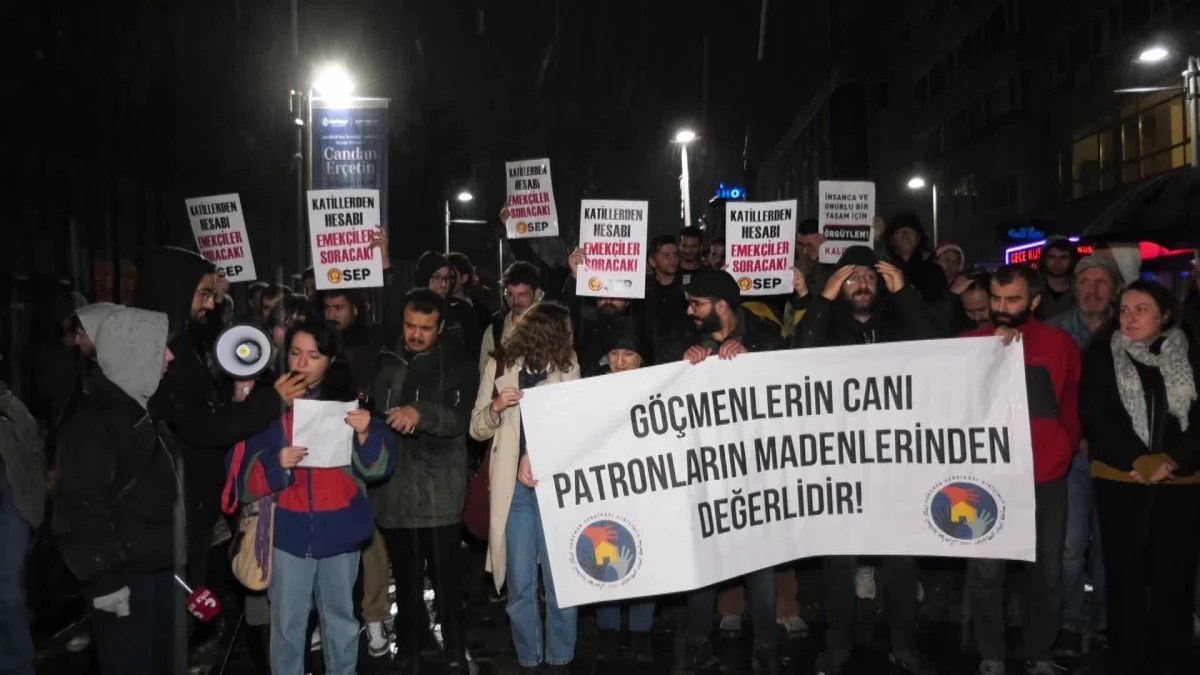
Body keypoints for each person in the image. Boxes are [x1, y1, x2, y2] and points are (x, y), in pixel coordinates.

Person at [132, 246, 308, 610]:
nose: (210, 305)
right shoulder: (155, 350)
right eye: (203, 294)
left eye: (213, 295)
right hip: (173, 503)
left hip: (192, 500)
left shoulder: (181, 341)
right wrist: (270, 403)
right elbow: (199, 425)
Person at [791, 246, 936, 675]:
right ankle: (838, 645)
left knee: (900, 559)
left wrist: (905, 292)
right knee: (839, 560)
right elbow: (798, 355)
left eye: (870, 278)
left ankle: (904, 645)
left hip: (894, 463)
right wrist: (823, 297)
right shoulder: (828, 324)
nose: (862, 285)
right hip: (839, 463)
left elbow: (936, 347)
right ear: (838, 284)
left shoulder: (898, 322)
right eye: (852, 278)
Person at [227, 321, 395, 675]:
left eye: (314, 355)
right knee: (287, 625)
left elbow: (377, 469)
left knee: (340, 620)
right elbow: (241, 479)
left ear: (331, 360)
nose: (302, 363)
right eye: (295, 352)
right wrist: (276, 464)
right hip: (288, 532)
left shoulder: (351, 403)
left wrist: (367, 433)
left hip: (340, 531)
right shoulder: (266, 405)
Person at [962, 265, 1080, 675]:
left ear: (1032, 300)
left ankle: (1040, 652)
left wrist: (1063, 448)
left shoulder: (1060, 343)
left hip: (1046, 476)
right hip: (988, 480)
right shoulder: (966, 344)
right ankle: (992, 654)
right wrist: (990, 355)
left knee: (1046, 571)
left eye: (1012, 300)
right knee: (986, 572)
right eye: (995, 299)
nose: (1001, 308)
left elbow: (1069, 403)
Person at [1080, 280, 1200, 674]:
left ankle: (1175, 658)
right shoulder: (1101, 353)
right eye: (1125, 309)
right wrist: (1137, 458)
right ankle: (1127, 658)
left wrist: (1173, 459)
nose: (1130, 318)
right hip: (1120, 481)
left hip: (1180, 484)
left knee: (1174, 578)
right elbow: (1096, 417)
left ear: (1164, 314)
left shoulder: (1191, 355)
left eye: (1141, 309)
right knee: (1124, 577)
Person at [667, 267, 783, 674]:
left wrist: (756, 362)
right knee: (705, 565)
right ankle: (697, 646)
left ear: (721, 306)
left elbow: (792, 384)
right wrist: (681, 367)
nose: (689, 311)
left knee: (761, 567)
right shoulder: (686, 341)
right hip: (706, 479)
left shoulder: (765, 337)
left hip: (756, 478)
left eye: (696, 304)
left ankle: (767, 647)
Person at [53, 307, 178, 675]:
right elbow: (78, 506)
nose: (170, 356)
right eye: (160, 348)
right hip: (124, 577)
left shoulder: (141, 404)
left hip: (154, 568)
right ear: (132, 353)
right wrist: (105, 581)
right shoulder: (92, 422)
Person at [368, 289, 478, 672]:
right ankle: (409, 652)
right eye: (410, 325)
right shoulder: (386, 358)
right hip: (395, 490)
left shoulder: (458, 361)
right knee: (407, 583)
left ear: (441, 327)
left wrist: (420, 412)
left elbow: (460, 420)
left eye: (426, 329)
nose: (416, 334)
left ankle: (453, 654)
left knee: (448, 584)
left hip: (439, 494)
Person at [470, 302, 580, 673]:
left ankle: (561, 657)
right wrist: (497, 407)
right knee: (519, 584)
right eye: (565, 330)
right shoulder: (498, 367)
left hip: (555, 489)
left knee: (562, 581)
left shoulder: (568, 368)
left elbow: (575, 426)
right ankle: (529, 659)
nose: (571, 336)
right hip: (512, 493)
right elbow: (476, 429)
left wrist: (535, 452)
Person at [1047, 255, 1122, 657]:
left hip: (1119, 460)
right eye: (1084, 282)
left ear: (1115, 288)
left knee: (1112, 546)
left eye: (1101, 282)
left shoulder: (1130, 331)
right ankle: (1070, 625)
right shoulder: (1055, 332)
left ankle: (1107, 623)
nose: (1092, 291)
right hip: (1070, 459)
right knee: (1070, 547)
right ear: (1073, 288)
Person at [588, 323, 655, 662]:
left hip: (643, 490)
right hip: (604, 490)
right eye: (613, 354)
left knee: (643, 558)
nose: (620, 362)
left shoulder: (657, 389)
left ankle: (641, 633)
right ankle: (608, 632)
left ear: (640, 358)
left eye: (628, 354)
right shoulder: (591, 390)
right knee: (607, 557)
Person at [0, 367, 44, 675]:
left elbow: (34, 446)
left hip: (11, 501)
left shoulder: (7, 404)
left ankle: (18, 666)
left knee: (8, 592)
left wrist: (36, 496)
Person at [563, 249, 650, 375]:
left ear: (628, 301)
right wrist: (577, 277)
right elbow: (567, 309)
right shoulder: (584, 323)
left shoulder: (641, 327)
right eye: (602, 295)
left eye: (616, 296)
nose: (608, 300)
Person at [416, 250, 482, 356]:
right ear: (425, 277)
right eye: (437, 277)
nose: (444, 284)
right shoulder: (410, 312)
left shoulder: (463, 311)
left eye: (447, 278)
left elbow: (475, 354)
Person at [480, 262, 541, 374]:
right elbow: (484, 378)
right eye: (510, 295)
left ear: (537, 294)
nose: (515, 301)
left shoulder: (551, 330)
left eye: (522, 295)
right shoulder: (493, 332)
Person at [880, 213, 949, 309]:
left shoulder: (934, 272)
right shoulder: (882, 271)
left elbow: (942, 309)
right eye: (900, 231)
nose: (905, 235)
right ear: (891, 239)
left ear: (918, 238)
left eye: (910, 231)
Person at [644, 235, 690, 349]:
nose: (673, 259)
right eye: (666, 255)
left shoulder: (690, 286)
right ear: (652, 261)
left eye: (675, 254)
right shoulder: (644, 289)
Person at [1034, 236, 1078, 321]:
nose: (1057, 263)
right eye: (1051, 257)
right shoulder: (1033, 289)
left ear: (1072, 260)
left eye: (1063, 258)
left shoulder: (1080, 288)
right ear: (1044, 259)